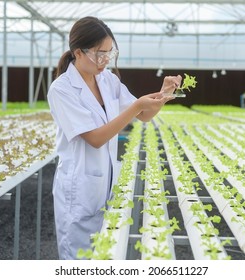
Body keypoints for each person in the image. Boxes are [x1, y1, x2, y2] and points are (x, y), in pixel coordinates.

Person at [47, 16, 181, 260]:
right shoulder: (62, 89)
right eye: (99, 54)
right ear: (78, 52)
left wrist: (164, 93)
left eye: (109, 53)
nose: (105, 60)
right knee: (80, 261)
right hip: (80, 191)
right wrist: (136, 106)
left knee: (106, 256)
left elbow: (145, 115)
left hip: (106, 184)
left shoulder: (107, 80)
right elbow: (96, 138)